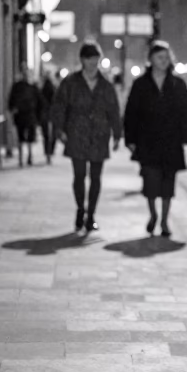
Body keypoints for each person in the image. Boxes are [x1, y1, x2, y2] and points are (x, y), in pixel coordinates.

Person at [124, 41, 187, 238]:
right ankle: (153, 214)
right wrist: (130, 138)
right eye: (159, 58)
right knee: (150, 182)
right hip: (147, 141)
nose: (164, 61)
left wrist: (185, 134)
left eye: (166, 57)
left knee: (167, 183)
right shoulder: (141, 84)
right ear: (151, 60)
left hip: (171, 141)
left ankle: (164, 219)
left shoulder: (177, 84)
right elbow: (131, 113)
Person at [50, 42, 123, 233]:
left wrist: (117, 133)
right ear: (82, 60)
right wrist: (60, 129)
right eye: (89, 58)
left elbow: (113, 110)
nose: (93, 63)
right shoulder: (71, 83)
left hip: (99, 135)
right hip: (77, 134)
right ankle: (80, 209)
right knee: (79, 175)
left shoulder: (105, 85)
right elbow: (59, 106)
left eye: (96, 59)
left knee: (96, 177)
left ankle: (91, 214)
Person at [7, 66, 42, 167]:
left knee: (30, 136)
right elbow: (11, 99)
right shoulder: (18, 87)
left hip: (30, 114)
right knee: (21, 136)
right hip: (21, 115)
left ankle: (29, 156)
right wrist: (13, 109)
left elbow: (39, 102)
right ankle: (22, 158)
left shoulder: (32, 87)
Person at [39, 71, 58, 164]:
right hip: (51, 114)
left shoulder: (42, 90)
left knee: (47, 135)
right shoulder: (54, 88)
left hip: (46, 114)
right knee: (52, 135)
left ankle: (48, 153)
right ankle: (50, 153)